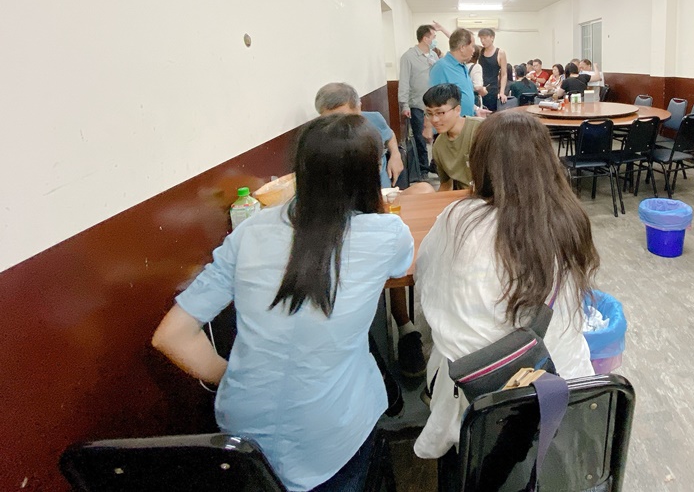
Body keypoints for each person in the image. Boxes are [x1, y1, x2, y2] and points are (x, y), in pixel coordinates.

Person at [152, 115, 414, 492]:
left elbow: (171, 336)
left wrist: (244, 377)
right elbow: (399, 267)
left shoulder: (250, 230)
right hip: (330, 439)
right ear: (370, 173)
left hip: (242, 442)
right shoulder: (388, 234)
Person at [413, 110, 600, 460]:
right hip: (562, 392)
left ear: (479, 163)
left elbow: (426, 288)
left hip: (477, 399)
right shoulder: (568, 220)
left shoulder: (457, 220)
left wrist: (427, 344)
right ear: (547, 162)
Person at [315, 83, 430, 379]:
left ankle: (405, 327)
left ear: (358, 108)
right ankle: (392, 332)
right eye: (329, 120)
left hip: (382, 202)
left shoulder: (373, 121)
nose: (339, 127)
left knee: (423, 192)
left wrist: (395, 154)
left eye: (345, 117)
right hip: (348, 217)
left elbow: (388, 135)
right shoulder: (323, 144)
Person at [399, 22, 449, 178]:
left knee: (438, 136)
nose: (435, 40)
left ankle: (435, 165)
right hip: (417, 104)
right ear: (425, 38)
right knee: (421, 138)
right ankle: (422, 170)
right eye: (433, 37)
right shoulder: (408, 57)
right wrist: (404, 105)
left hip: (435, 103)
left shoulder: (434, 55)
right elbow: (404, 81)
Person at [423, 84, 482, 192]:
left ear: (457, 110)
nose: (434, 120)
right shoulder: (438, 146)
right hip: (462, 198)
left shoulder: (481, 130)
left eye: (440, 113)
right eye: (429, 114)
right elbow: (446, 185)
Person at [428, 28, 479, 119]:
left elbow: (463, 97)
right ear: (462, 48)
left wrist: (476, 110)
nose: (474, 50)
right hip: (450, 125)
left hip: (466, 121)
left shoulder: (463, 67)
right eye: (472, 46)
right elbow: (433, 103)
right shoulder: (441, 68)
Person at [477, 28, 508, 112]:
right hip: (480, 88)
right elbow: (463, 43)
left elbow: (504, 74)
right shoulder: (480, 50)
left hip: (492, 89)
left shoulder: (500, 53)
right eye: (481, 38)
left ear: (492, 38)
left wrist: (502, 92)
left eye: (484, 38)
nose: (482, 41)